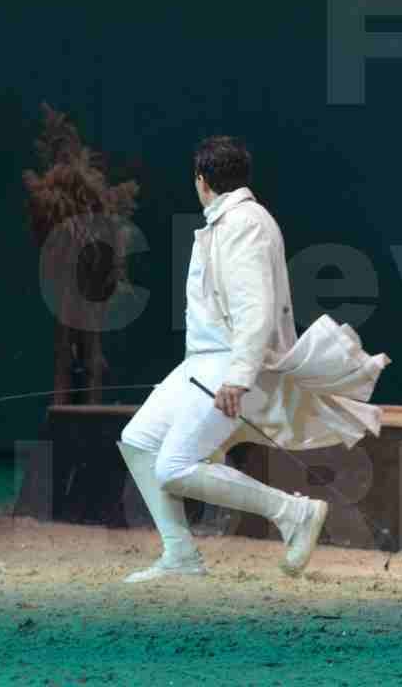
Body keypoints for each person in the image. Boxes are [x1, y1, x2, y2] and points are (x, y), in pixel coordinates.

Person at [117, 136, 383, 582]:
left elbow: (254, 306)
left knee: (174, 467)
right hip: (200, 363)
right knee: (140, 440)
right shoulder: (225, 222)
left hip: (225, 364)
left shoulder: (245, 223)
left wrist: (238, 376)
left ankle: (292, 512)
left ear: (201, 181)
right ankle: (180, 555)